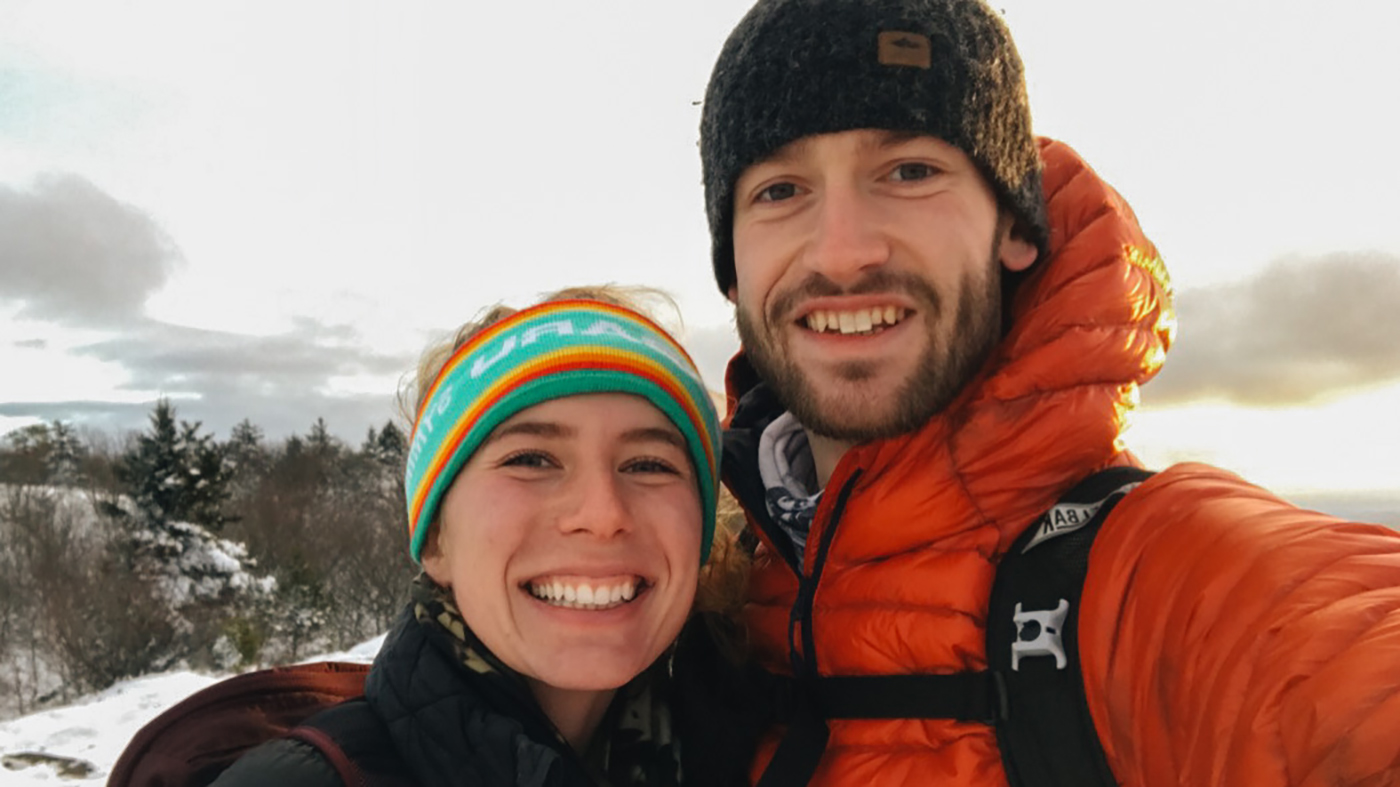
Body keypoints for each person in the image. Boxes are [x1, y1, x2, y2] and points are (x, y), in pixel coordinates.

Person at [698, 1, 1400, 785]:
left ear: (1014, 227)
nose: (843, 250)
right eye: (780, 190)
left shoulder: (1163, 582)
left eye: (910, 171)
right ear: (734, 266)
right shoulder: (692, 622)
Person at [212, 288, 746, 786]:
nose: (603, 513)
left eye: (649, 464)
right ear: (437, 539)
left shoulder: (756, 752)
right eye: (531, 460)